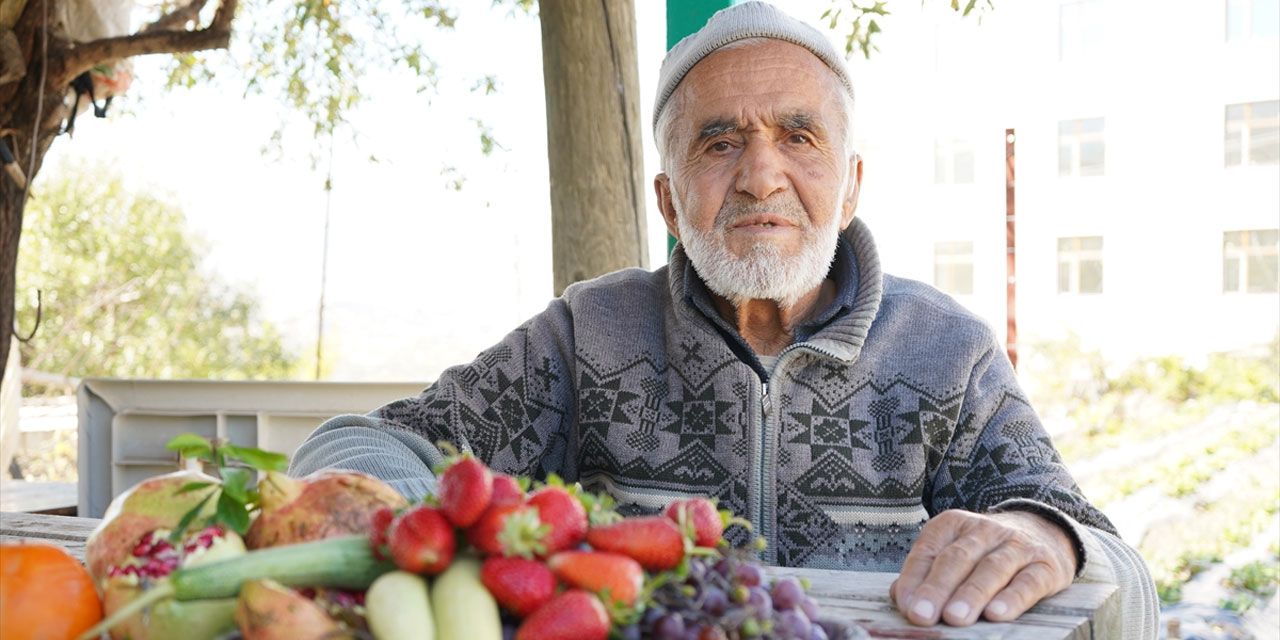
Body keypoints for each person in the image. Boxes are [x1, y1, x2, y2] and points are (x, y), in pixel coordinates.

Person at [291, 2, 1157, 635]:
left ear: (852, 183)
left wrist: (1044, 536)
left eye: (798, 135)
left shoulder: (948, 353)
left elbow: (1122, 575)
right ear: (669, 202)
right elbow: (359, 445)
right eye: (719, 142)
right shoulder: (588, 337)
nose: (759, 174)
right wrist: (421, 527)